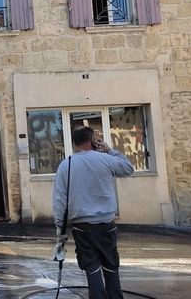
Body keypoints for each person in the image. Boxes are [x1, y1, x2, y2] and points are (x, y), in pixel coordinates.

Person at [52, 126, 134, 299]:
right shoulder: (105, 159)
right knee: (111, 266)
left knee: (92, 268)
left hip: (82, 226)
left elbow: (59, 200)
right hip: (106, 223)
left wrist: (60, 230)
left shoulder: (66, 165)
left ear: (74, 143)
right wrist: (109, 150)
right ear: (92, 141)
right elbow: (128, 168)